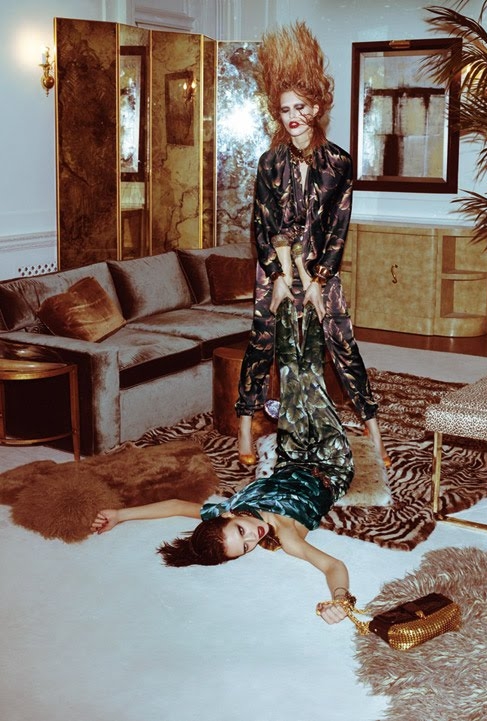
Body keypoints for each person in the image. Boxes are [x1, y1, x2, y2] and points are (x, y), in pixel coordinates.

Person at [91, 300, 357, 624]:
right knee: (307, 381)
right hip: (330, 464)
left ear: (229, 516)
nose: (253, 537)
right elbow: (333, 566)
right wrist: (340, 600)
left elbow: (175, 506)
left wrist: (120, 515)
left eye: (241, 532)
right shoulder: (286, 537)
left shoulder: (224, 509)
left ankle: (293, 305)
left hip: (290, 458)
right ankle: (313, 314)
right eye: (245, 547)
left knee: (289, 378)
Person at [235, 21, 389, 469]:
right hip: (275, 270)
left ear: (316, 107)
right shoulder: (269, 163)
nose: (293, 116)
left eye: (300, 107)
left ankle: (374, 433)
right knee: (262, 343)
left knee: (343, 344)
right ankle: (244, 428)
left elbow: (339, 227)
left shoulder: (338, 163)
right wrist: (279, 277)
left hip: (322, 270)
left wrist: (319, 280)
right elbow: (262, 225)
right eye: (285, 109)